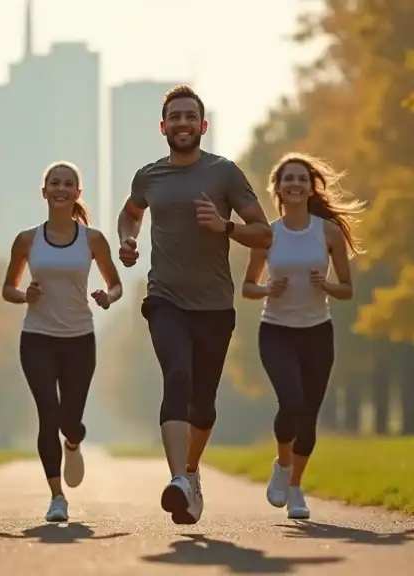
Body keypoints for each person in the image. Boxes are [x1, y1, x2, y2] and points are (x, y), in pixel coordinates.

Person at [116, 85, 273, 525]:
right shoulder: (149, 176)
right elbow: (131, 212)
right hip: (164, 297)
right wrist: (128, 238)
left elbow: (262, 232)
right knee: (177, 378)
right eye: (175, 117)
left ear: (203, 126)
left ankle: (190, 471)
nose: (182, 124)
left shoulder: (223, 174)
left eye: (190, 117)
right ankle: (178, 480)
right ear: (162, 126)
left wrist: (224, 226)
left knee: (203, 403)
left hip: (215, 305)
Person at [241, 152, 364, 520]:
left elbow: (347, 289)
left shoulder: (327, 233)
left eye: (301, 179)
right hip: (276, 332)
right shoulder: (268, 234)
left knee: (308, 414)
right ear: (276, 188)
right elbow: (248, 287)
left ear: (312, 188)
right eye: (288, 179)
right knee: (291, 402)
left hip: (317, 334)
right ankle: (282, 466)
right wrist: (267, 290)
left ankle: (295, 489)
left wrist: (325, 284)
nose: (295, 185)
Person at [2, 161, 123, 523]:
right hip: (37, 338)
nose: (61, 188)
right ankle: (57, 497)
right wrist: (25, 295)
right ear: (44, 192)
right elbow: (8, 288)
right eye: (54, 183)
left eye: (68, 184)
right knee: (47, 414)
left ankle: (73, 441)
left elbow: (115, 284)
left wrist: (108, 297)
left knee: (70, 420)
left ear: (77, 193)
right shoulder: (27, 239)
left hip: (79, 340)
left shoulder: (93, 239)